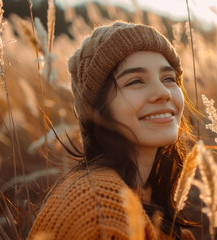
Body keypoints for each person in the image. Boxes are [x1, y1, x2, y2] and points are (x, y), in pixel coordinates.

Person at [27, 21, 197, 240]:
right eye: (136, 81)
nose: (163, 92)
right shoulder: (102, 208)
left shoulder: (138, 198)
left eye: (169, 78)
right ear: (99, 108)